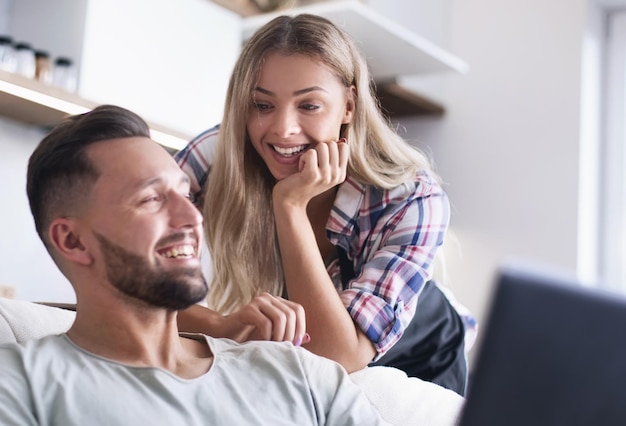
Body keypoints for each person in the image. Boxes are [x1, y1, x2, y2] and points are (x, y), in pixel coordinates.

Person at [0, 104, 391, 425]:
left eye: (185, 194)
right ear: (73, 240)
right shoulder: (20, 384)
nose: (192, 217)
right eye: (151, 199)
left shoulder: (297, 372)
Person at [175, 13, 475, 395]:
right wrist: (223, 325)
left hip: (422, 353)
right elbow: (123, 279)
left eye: (309, 106)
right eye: (263, 105)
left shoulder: (411, 198)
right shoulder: (220, 156)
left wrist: (289, 206)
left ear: (348, 105)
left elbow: (335, 355)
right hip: (313, 350)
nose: (283, 129)